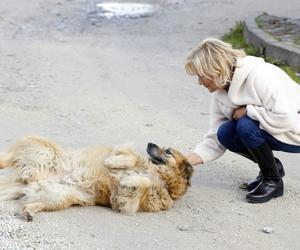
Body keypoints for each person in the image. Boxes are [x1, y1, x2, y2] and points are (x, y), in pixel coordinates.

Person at [185, 38, 300, 203]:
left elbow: (287, 119)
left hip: (295, 130)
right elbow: (214, 139)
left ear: (215, 69)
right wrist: (184, 162)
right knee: (225, 132)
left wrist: (248, 111)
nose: (199, 83)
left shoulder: (261, 75)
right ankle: (272, 168)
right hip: (278, 131)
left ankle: (273, 181)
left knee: (245, 125)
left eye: (201, 76)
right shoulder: (220, 93)